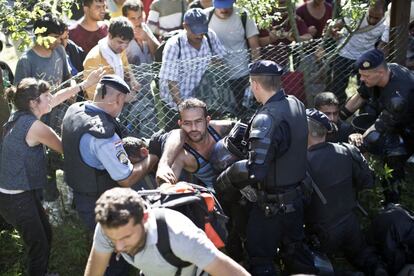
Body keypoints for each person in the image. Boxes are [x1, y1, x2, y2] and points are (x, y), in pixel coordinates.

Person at [0, 69, 103, 276]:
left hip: (16, 191)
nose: (51, 98)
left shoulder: (19, 113)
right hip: (15, 197)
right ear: (33, 103)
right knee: (38, 244)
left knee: (44, 234)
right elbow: (67, 149)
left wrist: (84, 84)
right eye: (46, 96)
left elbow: (57, 97)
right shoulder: (36, 127)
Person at [215, 60, 310, 275]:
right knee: (296, 253)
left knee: (260, 259)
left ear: (255, 85)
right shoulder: (296, 103)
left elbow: (255, 171)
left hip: (271, 207)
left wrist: (227, 177)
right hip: (297, 198)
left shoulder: (266, 118)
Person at [84, 187, 250, 276]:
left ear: (145, 218)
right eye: (113, 239)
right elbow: (94, 271)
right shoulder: (110, 227)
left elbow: (231, 272)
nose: (118, 247)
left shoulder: (180, 236)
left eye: (127, 237)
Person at [305, 108, 388, 276]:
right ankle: (378, 269)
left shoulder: (301, 163)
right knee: (364, 254)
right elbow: (367, 182)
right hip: (351, 222)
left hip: (322, 232)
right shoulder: (346, 150)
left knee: (306, 264)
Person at [341, 48, 414, 204]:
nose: (361, 78)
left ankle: (392, 202)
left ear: (380, 73)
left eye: (365, 75)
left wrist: (359, 144)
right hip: (392, 116)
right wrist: (339, 119)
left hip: (409, 127)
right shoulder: (383, 72)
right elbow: (360, 96)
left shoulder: (398, 97)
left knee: (394, 154)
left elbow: (378, 130)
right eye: (361, 74)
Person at [155, 98, 234, 189]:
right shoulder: (183, 155)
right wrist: (177, 186)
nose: (193, 128)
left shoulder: (220, 129)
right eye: (187, 123)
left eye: (198, 121)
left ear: (207, 121)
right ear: (180, 124)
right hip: (221, 196)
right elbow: (165, 185)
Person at [159, 8, 227, 109]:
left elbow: (222, 63)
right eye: (196, 31)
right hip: (174, 103)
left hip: (200, 97)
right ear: (185, 26)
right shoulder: (174, 46)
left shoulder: (209, 36)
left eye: (202, 30)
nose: (200, 35)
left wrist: (208, 62)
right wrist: (182, 107)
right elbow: (171, 82)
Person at [206, 0, 260, 116]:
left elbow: (255, 48)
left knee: (245, 114)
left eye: (226, 6)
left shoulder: (243, 15)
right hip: (217, 80)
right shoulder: (206, 17)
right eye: (220, 7)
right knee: (221, 116)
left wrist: (254, 76)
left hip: (242, 75)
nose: (223, 10)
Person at [328, 0, 387, 105]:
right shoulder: (357, 11)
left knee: (367, 89)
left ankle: (363, 114)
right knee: (337, 88)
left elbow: (382, 46)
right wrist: (333, 31)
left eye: (376, 17)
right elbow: (339, 25)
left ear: (384, 13)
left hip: (366, 57)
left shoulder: (387, 21)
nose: (372, 20)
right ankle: (337, 111)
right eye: (370, 15)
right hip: (344, 53)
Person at [121, 0, 159, 138]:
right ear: (125, 18)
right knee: (135, 127)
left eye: (139, 17)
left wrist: (147, 37)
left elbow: (159, 52)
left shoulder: (145, 28)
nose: (137, 21)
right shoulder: (122, 36)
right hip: (132, 93)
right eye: (132, 18)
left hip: (150, 90)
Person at [83, 16, 138, 100]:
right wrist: (123, 99)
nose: (123, 47)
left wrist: (133, 80)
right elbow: (93, 96)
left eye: (126, 44)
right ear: (110, 35)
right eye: (120, 42)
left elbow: (126, 66)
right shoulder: (93, 59)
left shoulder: (119, 50)